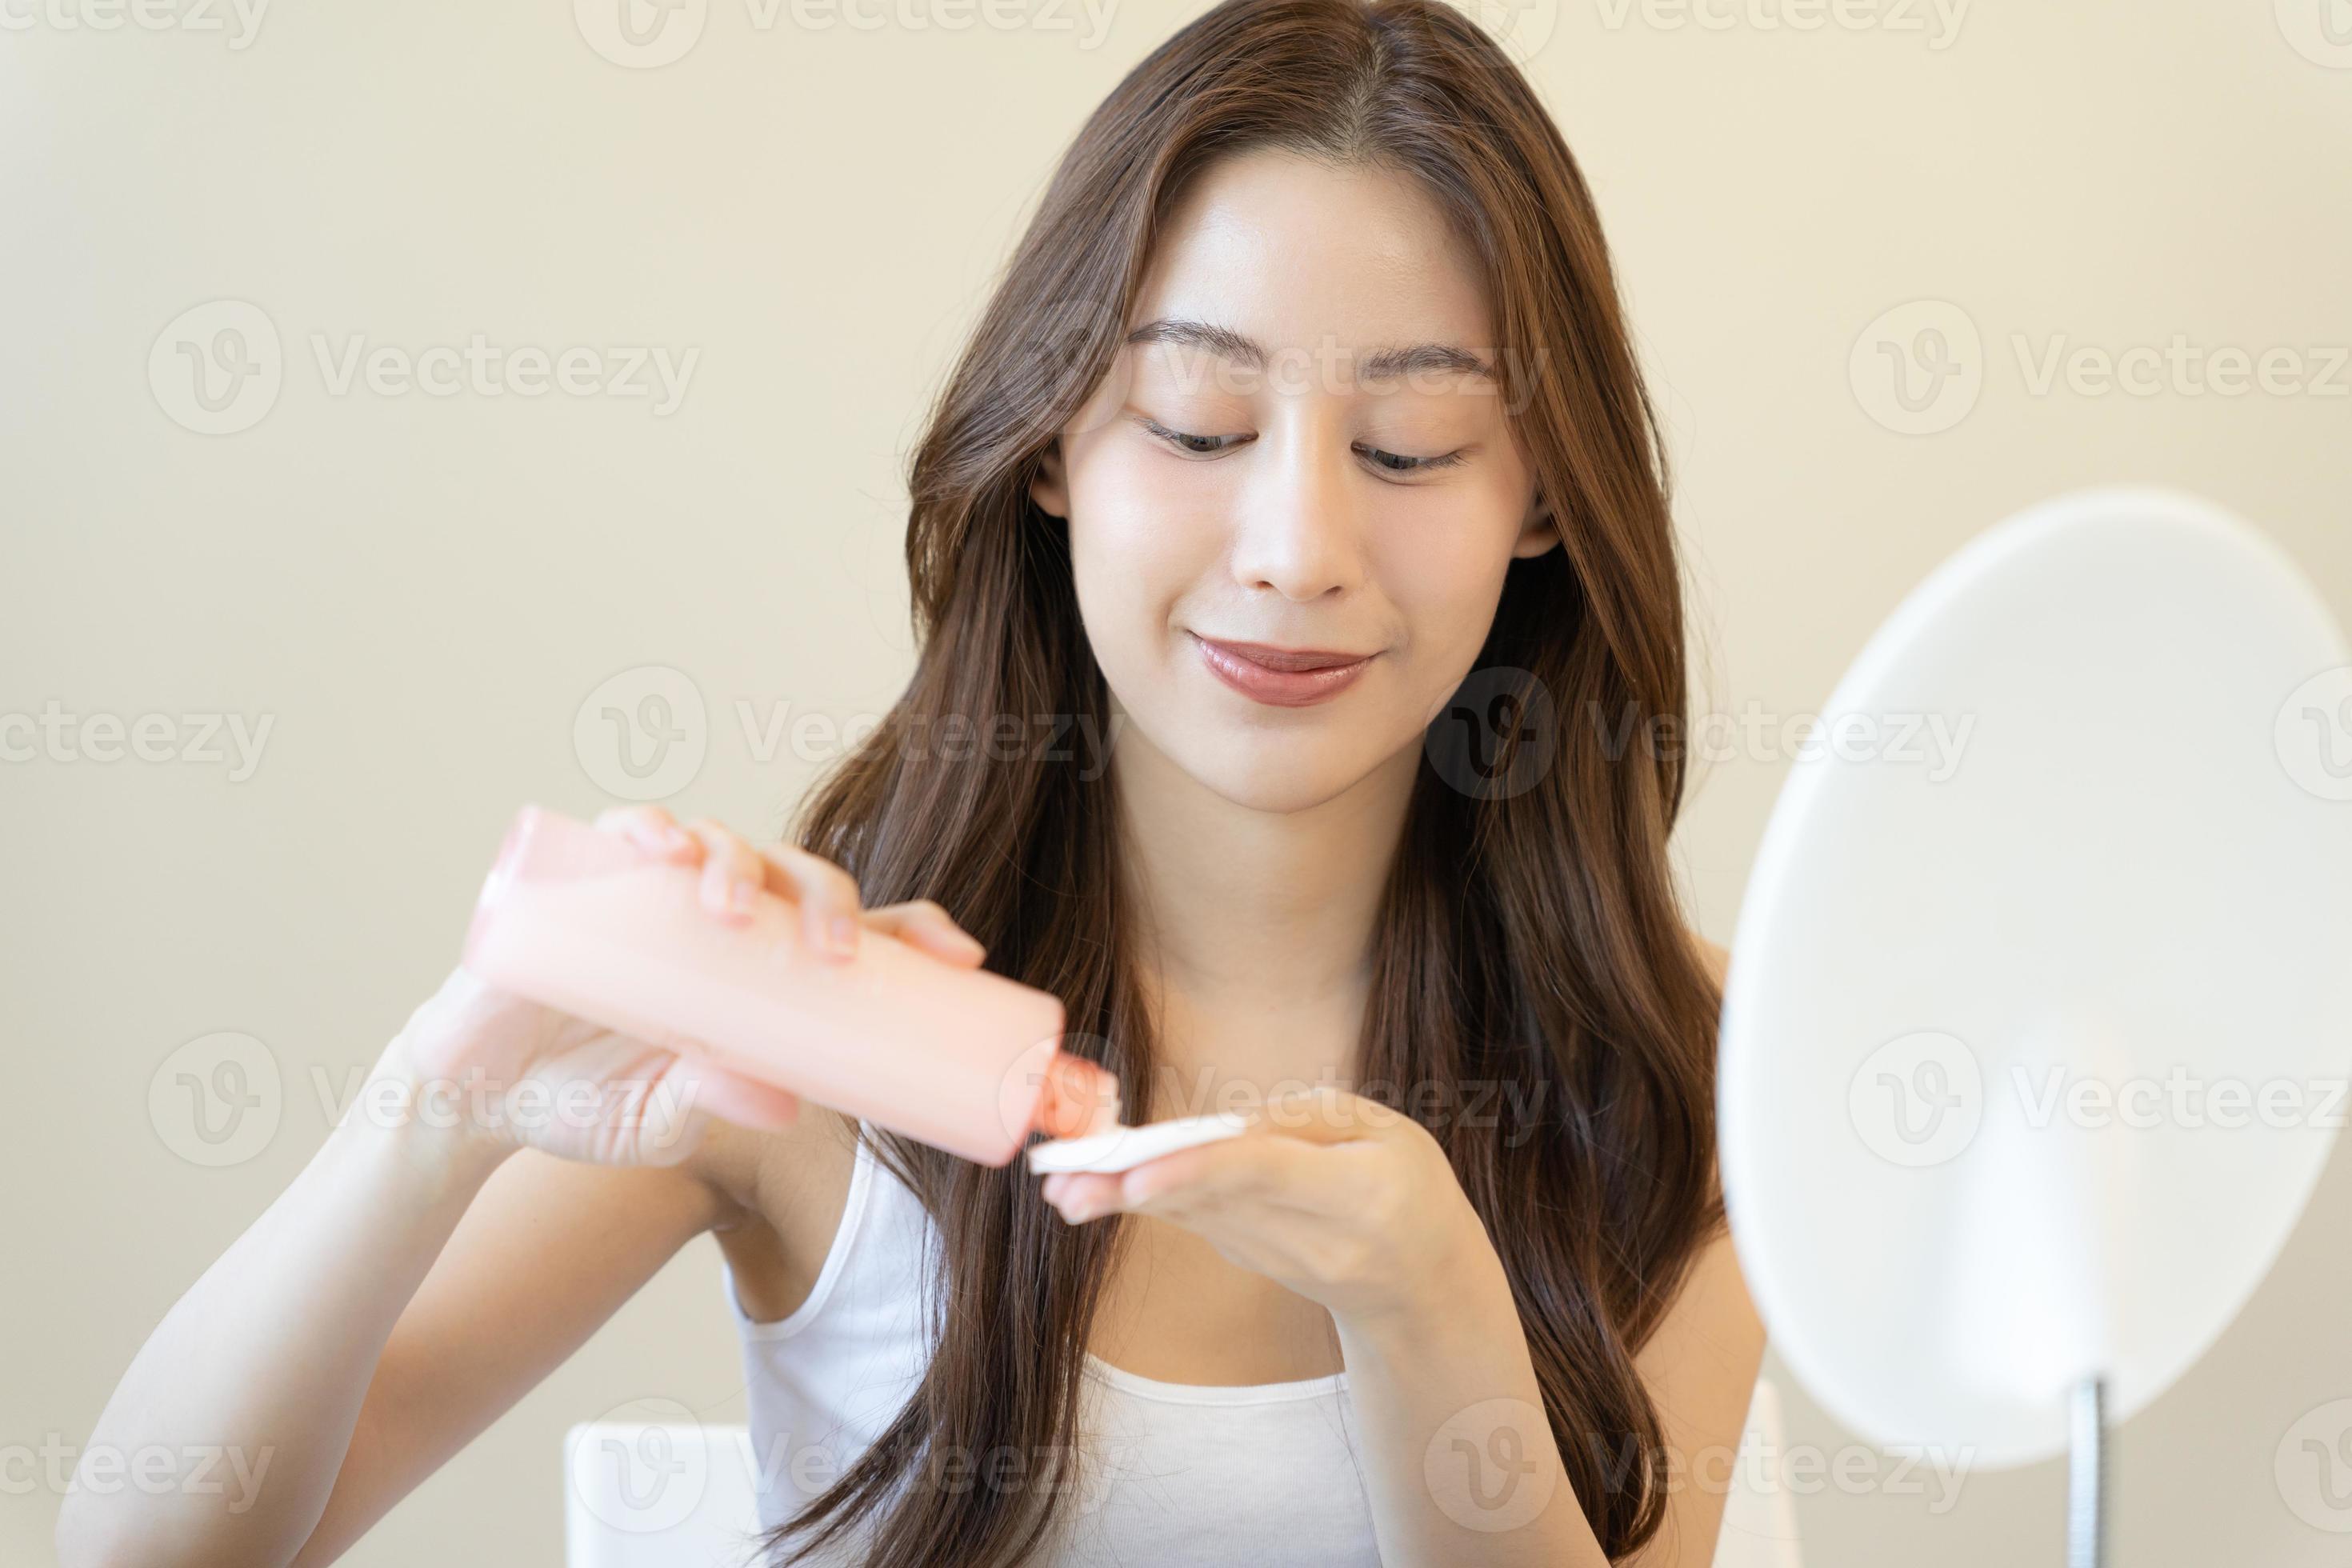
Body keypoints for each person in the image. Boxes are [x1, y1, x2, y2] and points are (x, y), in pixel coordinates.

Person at [60, 1, 1764, 1562]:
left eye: (1409, 448)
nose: (1297, 548)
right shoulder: (817, 1027)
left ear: (1545, 496)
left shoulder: (1689, 1073)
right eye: (1194, 422)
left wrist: (1429, 1308)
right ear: (1048, 450)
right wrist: (437, 1102)